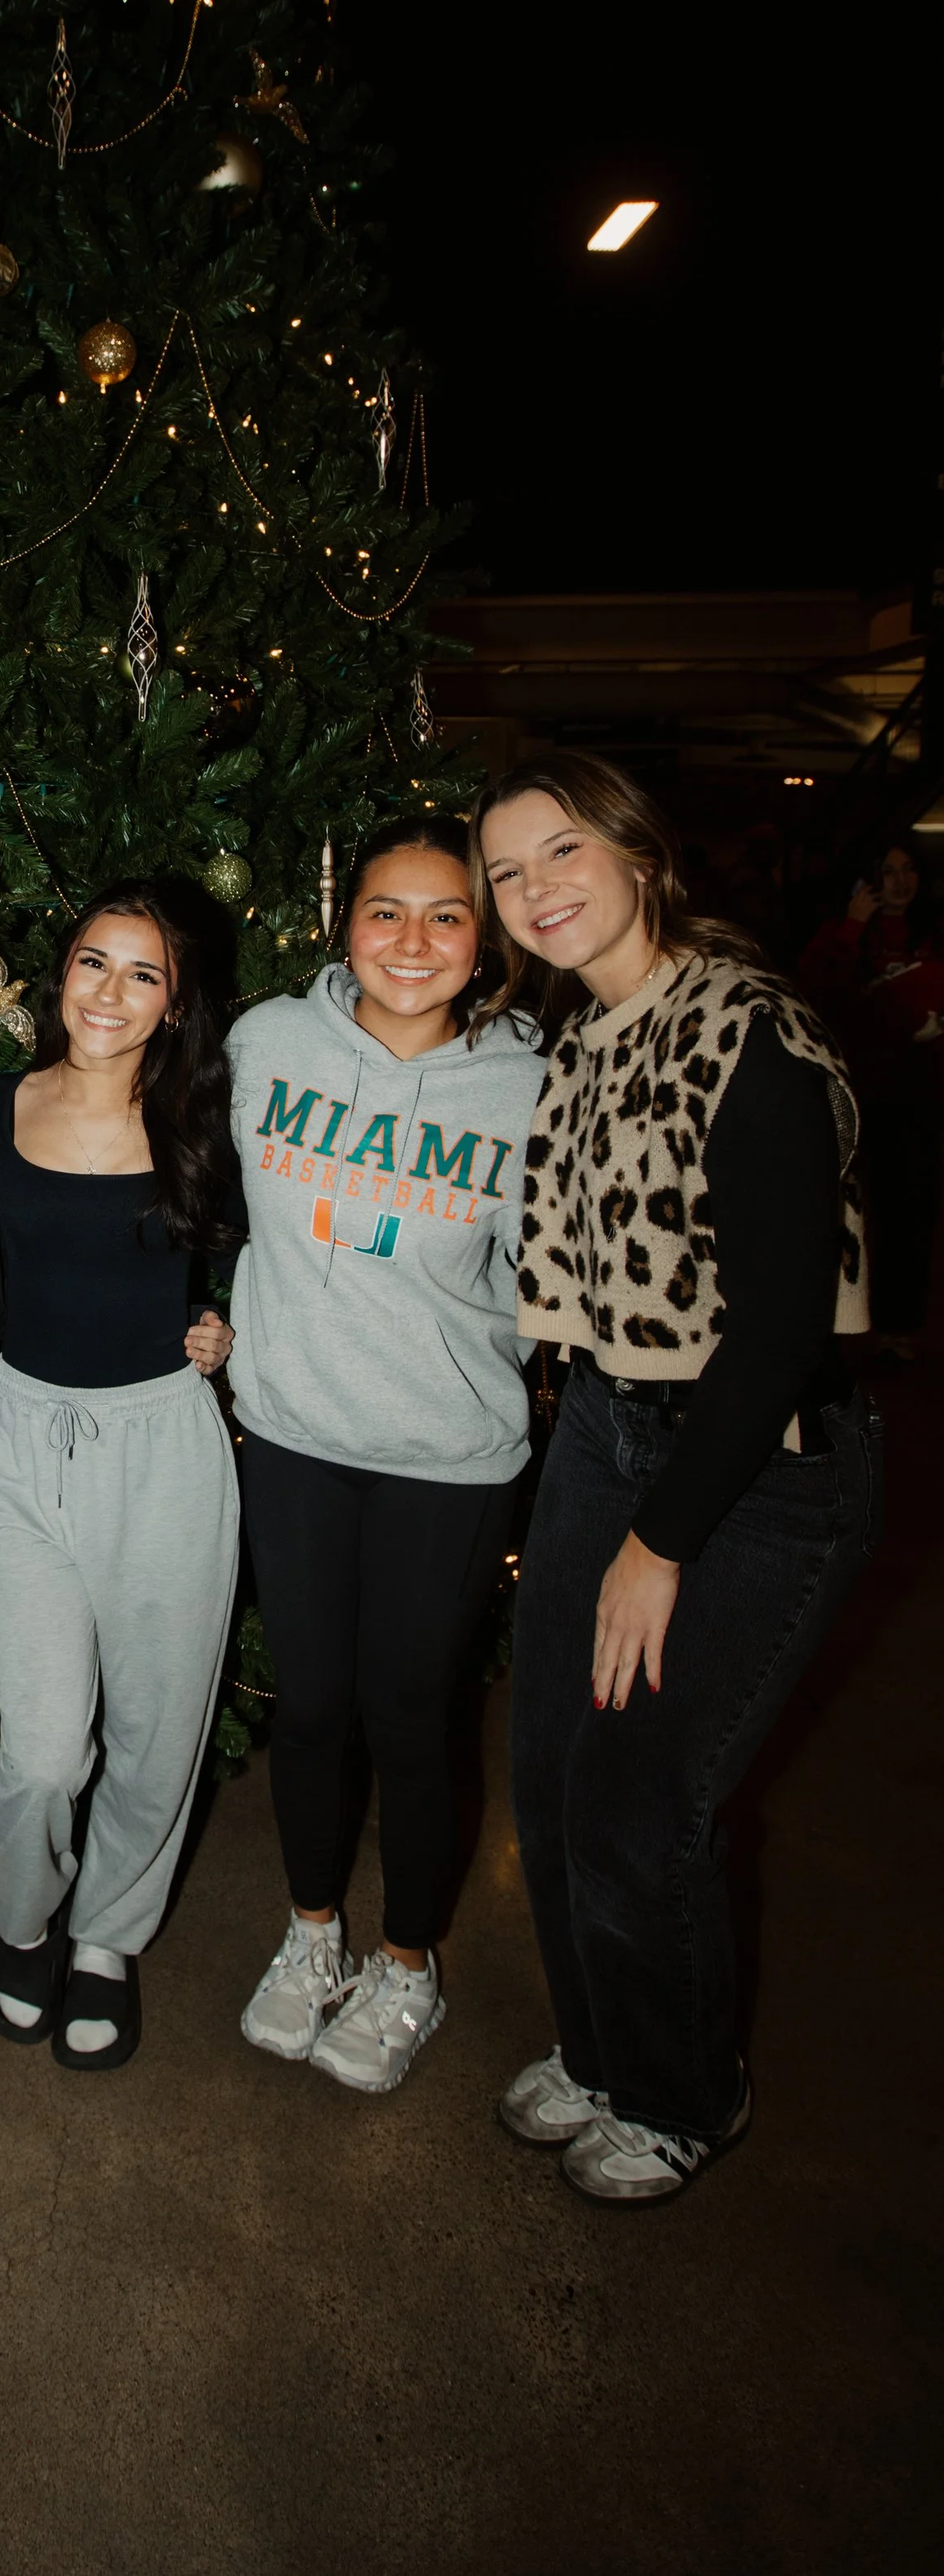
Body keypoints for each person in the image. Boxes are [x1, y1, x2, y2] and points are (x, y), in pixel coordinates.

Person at [474, 748, 878, 2206]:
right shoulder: (587, 1029)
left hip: (754, 1463)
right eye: (510, 873)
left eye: (564, 854)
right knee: (553, 1768)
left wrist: (659, 1541)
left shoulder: (753, 1035)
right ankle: (603, 2049)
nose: (536, 894)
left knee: (644, 1799)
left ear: (641, 852)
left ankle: (684, 2094)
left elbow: (773, 1340)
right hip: (611, 1423)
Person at [224, 818, 547, 2092]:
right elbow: (199, 1193)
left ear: (486, 938)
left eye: (447, 914)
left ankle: (408, 1958)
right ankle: (312, 1935)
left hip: (448, 1453)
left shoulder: (528, 1079)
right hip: (295, 1435)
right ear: (339, 919)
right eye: (384, 910)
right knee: (309, 1709)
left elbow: (555, 1273)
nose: (412, 941)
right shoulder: (266, 1041)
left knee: (410, 1718)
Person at [0, 884, 242, 2072]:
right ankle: (22, 1917)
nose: (111, 993)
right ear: (58, 973)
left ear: (175, 1001)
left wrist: (230, 1319)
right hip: (24, 1440)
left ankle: (108, 1941)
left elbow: (266, 1255)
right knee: (38, 1750)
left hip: (164, 1446)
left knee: (156, 1727)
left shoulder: (207, 1120)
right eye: (94, 962)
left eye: (143, 974)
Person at [800, 843, 942, 1359]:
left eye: (909, 870)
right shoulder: (844, 933)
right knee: (842, 1213)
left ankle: (898, 1324)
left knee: (910, 1215)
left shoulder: (934, 930)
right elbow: (814, 993)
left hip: (920, 1095)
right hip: (854, 1096)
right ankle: (835, 1322)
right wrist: (853, 927)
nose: (900, 881)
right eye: (888, 871)